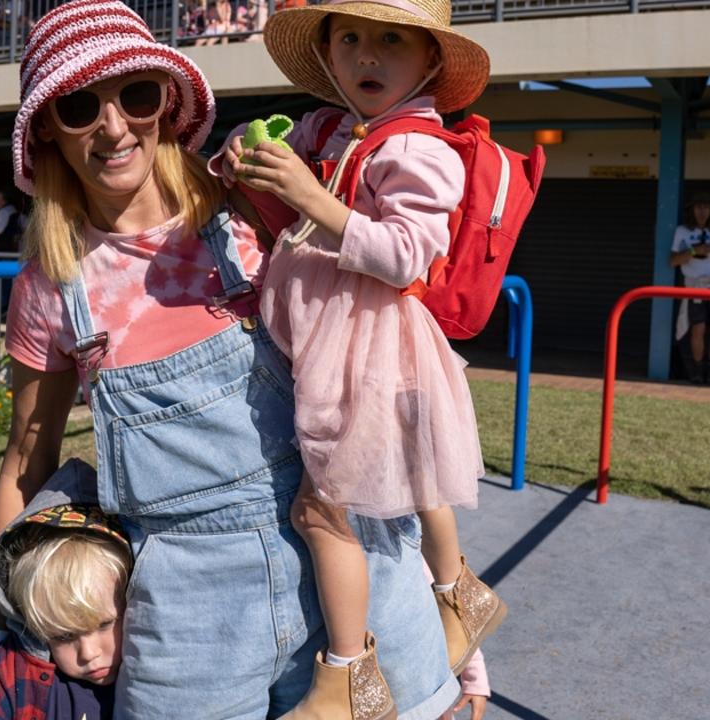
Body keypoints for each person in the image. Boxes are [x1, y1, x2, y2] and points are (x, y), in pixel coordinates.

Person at [0, 1, 461, 717]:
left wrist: (453, 594)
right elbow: (28, 455)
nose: (114, 127)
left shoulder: (250, 210)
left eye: (134, 95)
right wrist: (8, 623)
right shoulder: (52, 285)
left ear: (165, 102)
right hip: (183, 617)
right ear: (48, 127)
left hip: (349, 571)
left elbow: (380, 348)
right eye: (80, 107)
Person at [214, 1, 505, 715]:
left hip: (369, 348)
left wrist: (314, 196)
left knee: (324, 510)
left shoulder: (419, 150)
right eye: (350, 39)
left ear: (430, 61)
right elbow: (290, 212)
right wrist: (243, 163)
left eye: (390, 41)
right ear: (327, 53)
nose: (366, 55)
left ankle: (348, 678)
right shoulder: (331, 129)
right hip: (336, 343)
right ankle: (461, 599)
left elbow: (407, 253)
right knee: (415, 479)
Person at [0, 460, 129, 720]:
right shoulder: (4, 678)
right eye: (63, 636)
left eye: (105, 624)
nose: (89, 653)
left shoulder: (156, 671)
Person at [670, 192, 710, 385]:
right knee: (697, 328)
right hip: (695, 286)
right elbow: (673, 261)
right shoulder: (682, 231)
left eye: (706, 207)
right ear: (691, 210)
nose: (702, 211)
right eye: (698, 207)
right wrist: (693, 251)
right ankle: (697, 370)